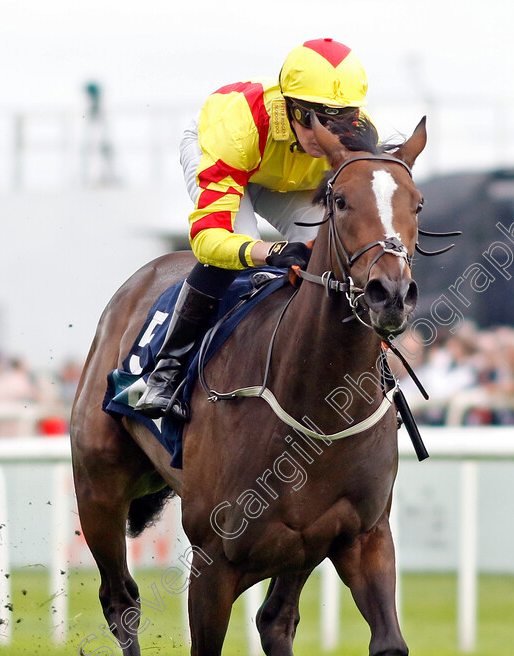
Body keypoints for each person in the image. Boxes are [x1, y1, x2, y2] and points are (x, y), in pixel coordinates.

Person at [135, 38, 370, 419]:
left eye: (338, 122)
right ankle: (167, 369)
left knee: (327, 250)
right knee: (238, 255)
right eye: (313, 120)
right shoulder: (238, 126)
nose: (325, 136)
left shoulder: (361, 136)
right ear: (291, 108)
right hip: (229, 157)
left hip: (290, 180)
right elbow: (209, 241)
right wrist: (271, 252)